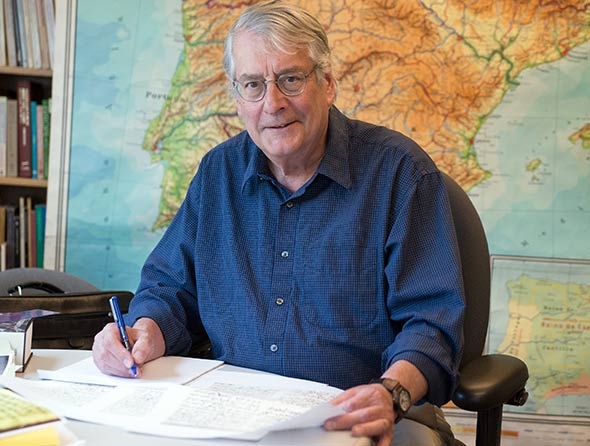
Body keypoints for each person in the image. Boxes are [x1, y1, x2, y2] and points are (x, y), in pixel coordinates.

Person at [92, 1, 465, 445]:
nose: (272, 103)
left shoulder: (400, 174)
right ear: (237, 97)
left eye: (290, 79)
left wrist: (390, 393)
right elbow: (171, 288)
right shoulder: (218, 175)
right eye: (253, 84)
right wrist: (144, 331)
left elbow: (433, 322)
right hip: (234, 414)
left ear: (327, 84)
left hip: (364, 415)